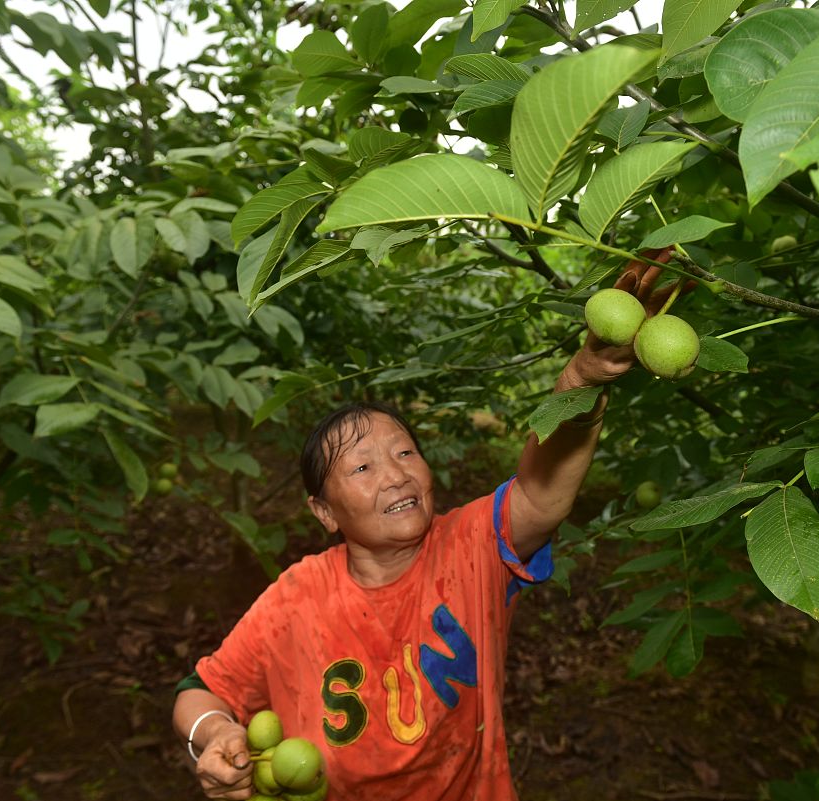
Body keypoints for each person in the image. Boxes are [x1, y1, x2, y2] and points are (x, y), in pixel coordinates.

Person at [172, 250, 676, 801]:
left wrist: (580, 378)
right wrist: (215, 734)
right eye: (362, 467)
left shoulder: (472, 545)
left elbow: (540, 494)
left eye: (406, 452)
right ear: (324, 511)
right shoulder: (297, 596)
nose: (395, 476)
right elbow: (200, 692)